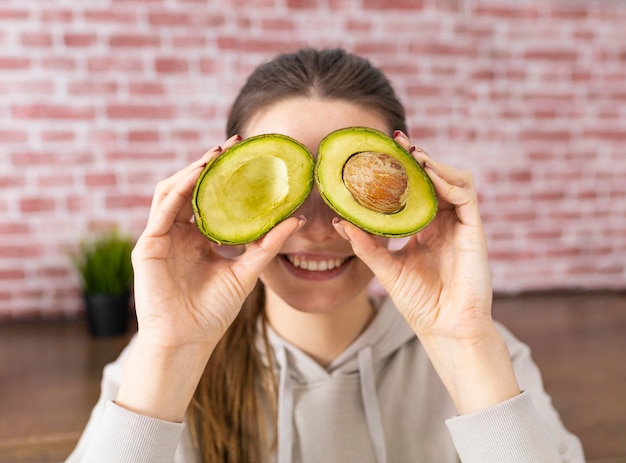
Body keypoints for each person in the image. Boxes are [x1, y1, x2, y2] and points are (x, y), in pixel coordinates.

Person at [67, 48, 584, 463]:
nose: (316, 230)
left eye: (347, 194)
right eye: (287, 196)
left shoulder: (491, 355)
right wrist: (171, 355)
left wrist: (465, 345)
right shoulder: (147, 364)